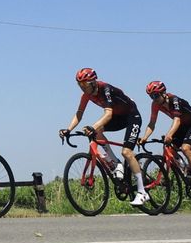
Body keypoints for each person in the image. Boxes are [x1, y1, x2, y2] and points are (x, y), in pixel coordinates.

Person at [61, 68, 150, 207]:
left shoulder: (105, 89)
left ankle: (142, 192)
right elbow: (79, 113)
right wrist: (68, 129)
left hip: (131, 116)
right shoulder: (86, 95)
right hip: (117, 117)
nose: (82, 88)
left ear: (92, 82)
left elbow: (108, 114)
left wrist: (92, 126)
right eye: (80, 85)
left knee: (126, 152)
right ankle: (116, 163)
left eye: (84, 85)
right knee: (97, 132)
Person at [139, 81, 191, 193]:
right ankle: (178, 172)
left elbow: (177, 119)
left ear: (163, 93)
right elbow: (152, 123)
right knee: (168, 148)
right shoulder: (155, 105)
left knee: (186, 148)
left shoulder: (174, 100)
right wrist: (145, 137)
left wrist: (169, 134)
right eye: (151, 96)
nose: (154, 99)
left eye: (155, 95)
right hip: (181, 127)